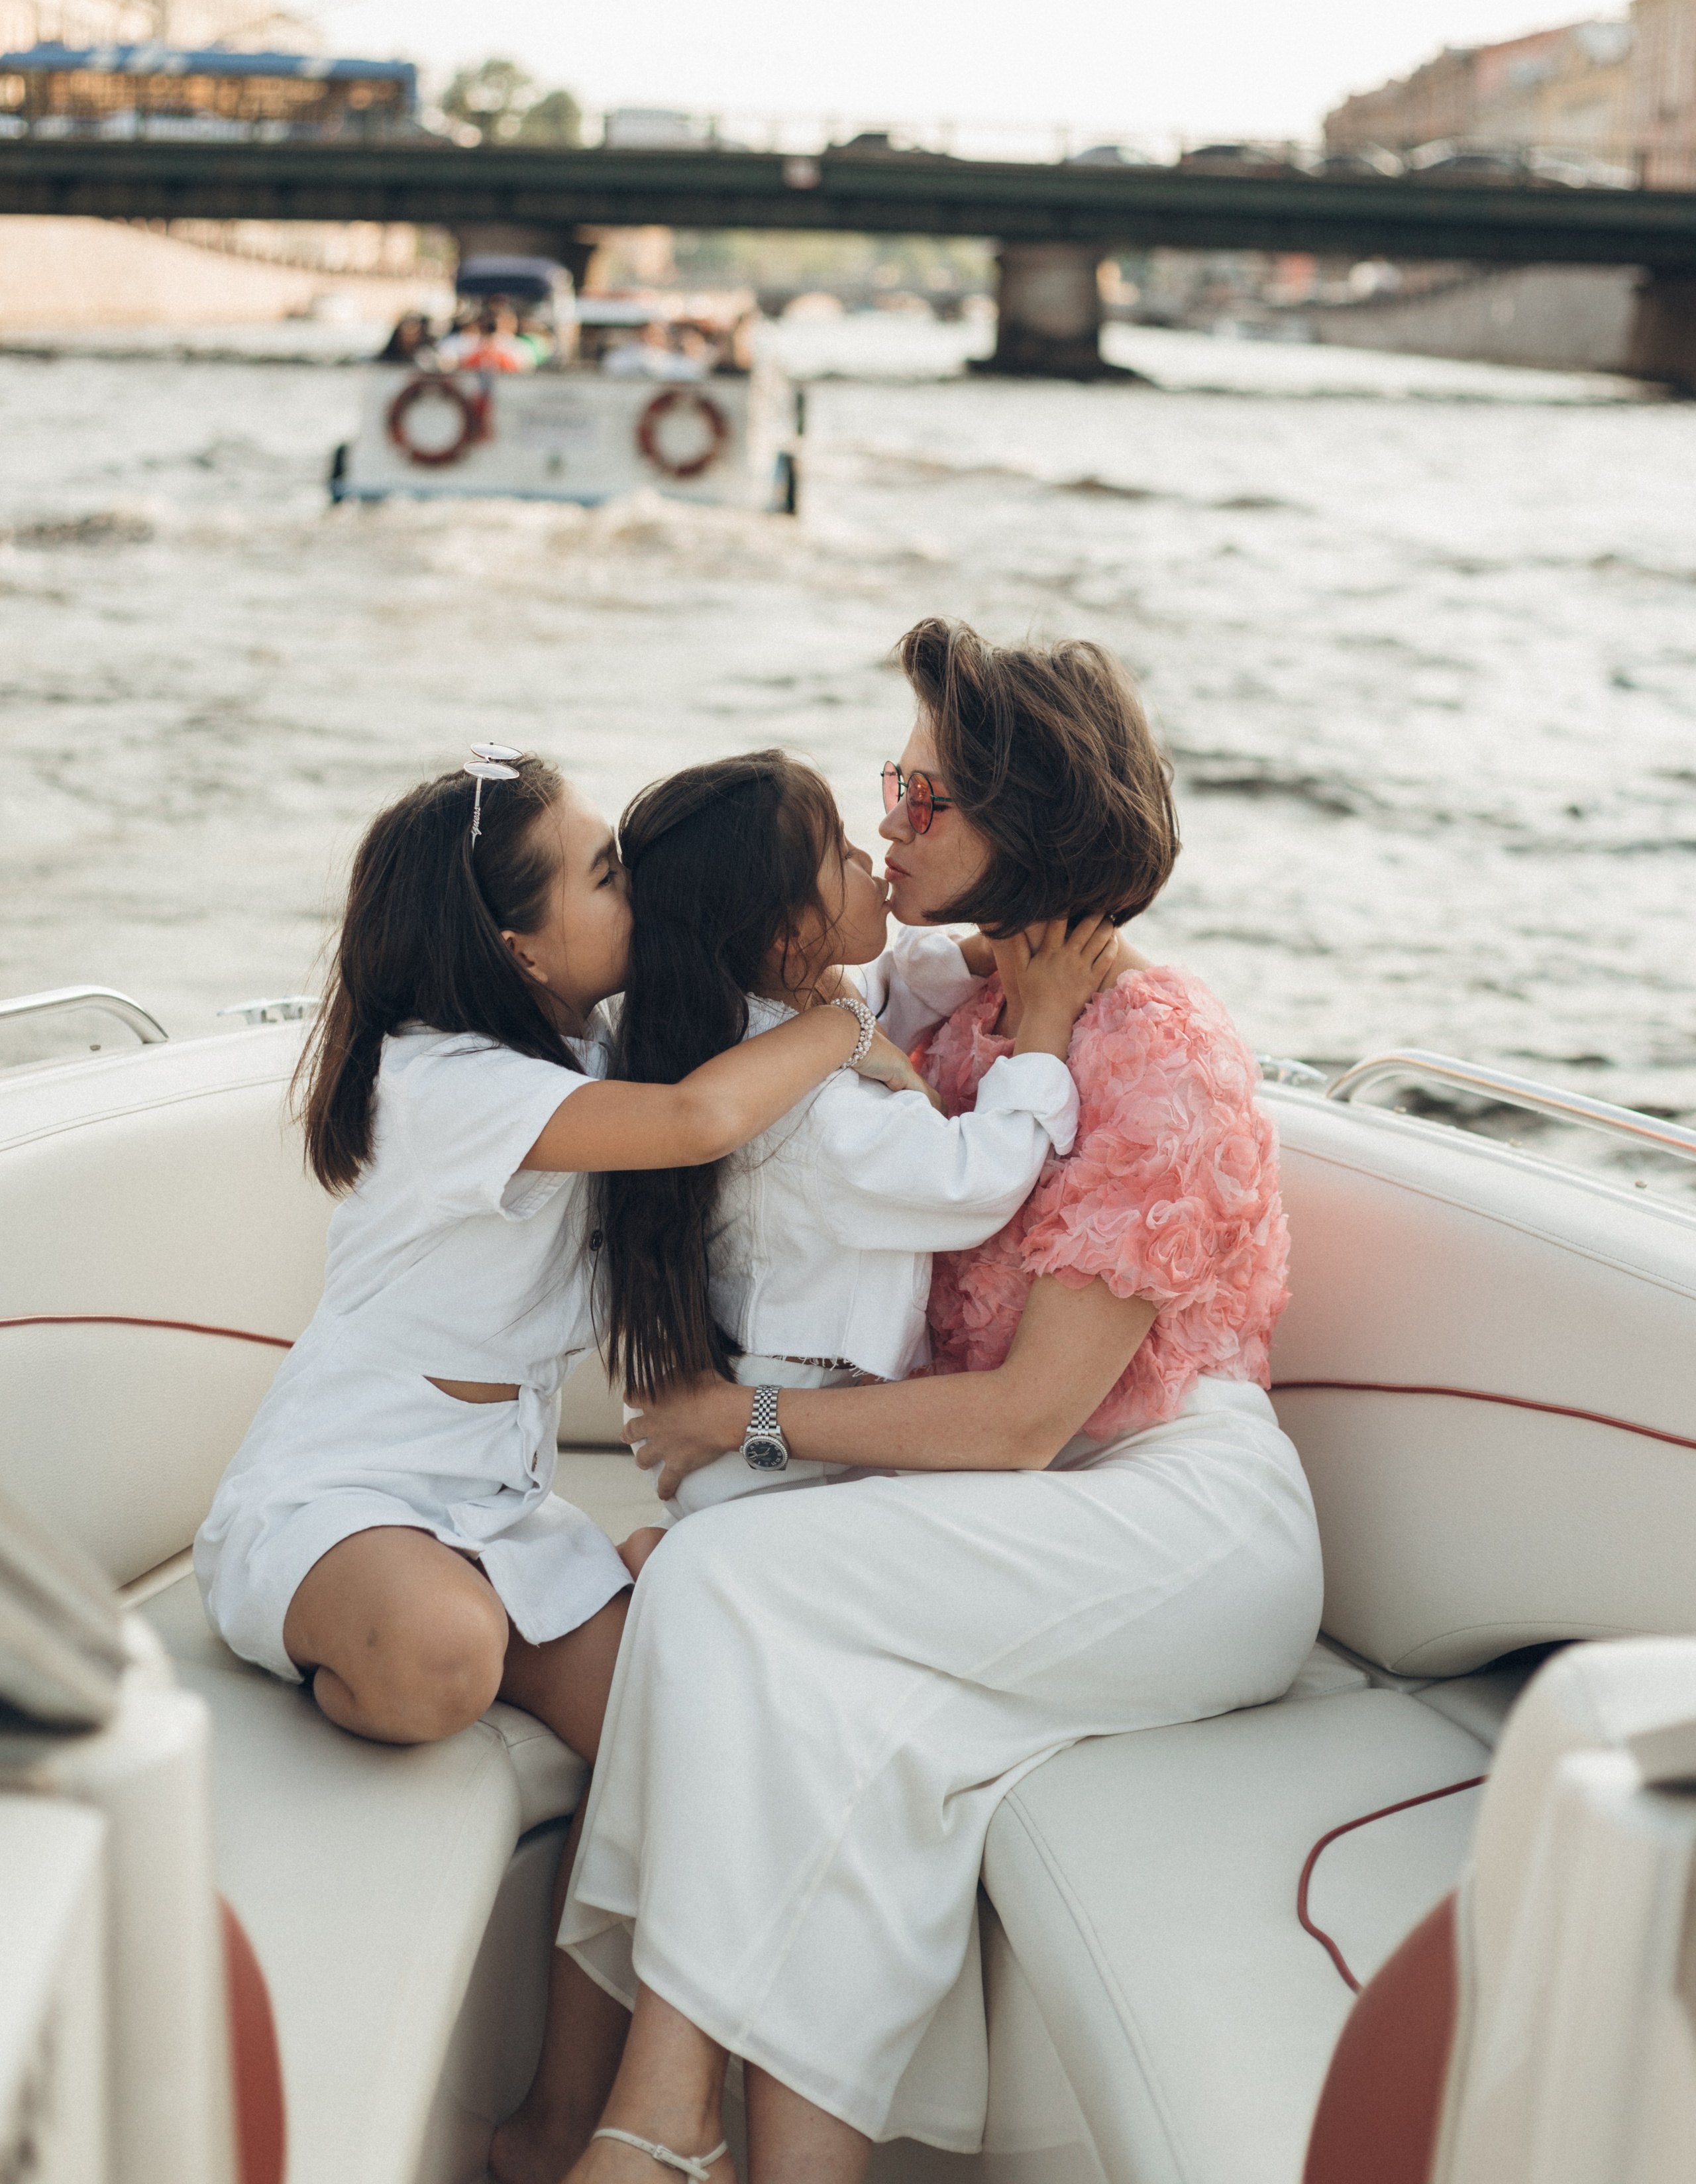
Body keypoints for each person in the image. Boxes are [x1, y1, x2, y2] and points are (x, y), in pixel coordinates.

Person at [495, 621, 1324, 2184]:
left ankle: (645, 2112)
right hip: (1004, 1510)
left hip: (1176, 1518)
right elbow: (740, 971)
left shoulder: (1157, 1055)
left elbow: (1022, 1417)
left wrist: (741, 1421)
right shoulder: (942, 1009)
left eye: (923, 795)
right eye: (890, 784)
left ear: (1035, 815)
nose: (889, 820)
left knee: (728, 1577)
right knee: (797, 1681)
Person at [193, 747, 933, 1765]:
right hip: (344, 1496)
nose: (640, 886)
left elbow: (771, 982)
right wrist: (847, 1030)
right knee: (441, 1655)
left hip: (501, 1514)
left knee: (696, 1723)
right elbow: (697, 1118)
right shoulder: (442, 1084)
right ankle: (397, 1629)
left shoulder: (587, 1049)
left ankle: (517, 1606)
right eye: (607, 875)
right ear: (523, 952)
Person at [592, 750, 1111, 1537]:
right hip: (788, 1456)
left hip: (789, 1426)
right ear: (787, 935)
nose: (869, 853)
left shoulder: (745, 1013)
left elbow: (890, 982)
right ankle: (657, 1570)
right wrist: (1043, 1027)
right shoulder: (816, 1119)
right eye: (838, 851)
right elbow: (972, 1182)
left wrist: (999, 951)